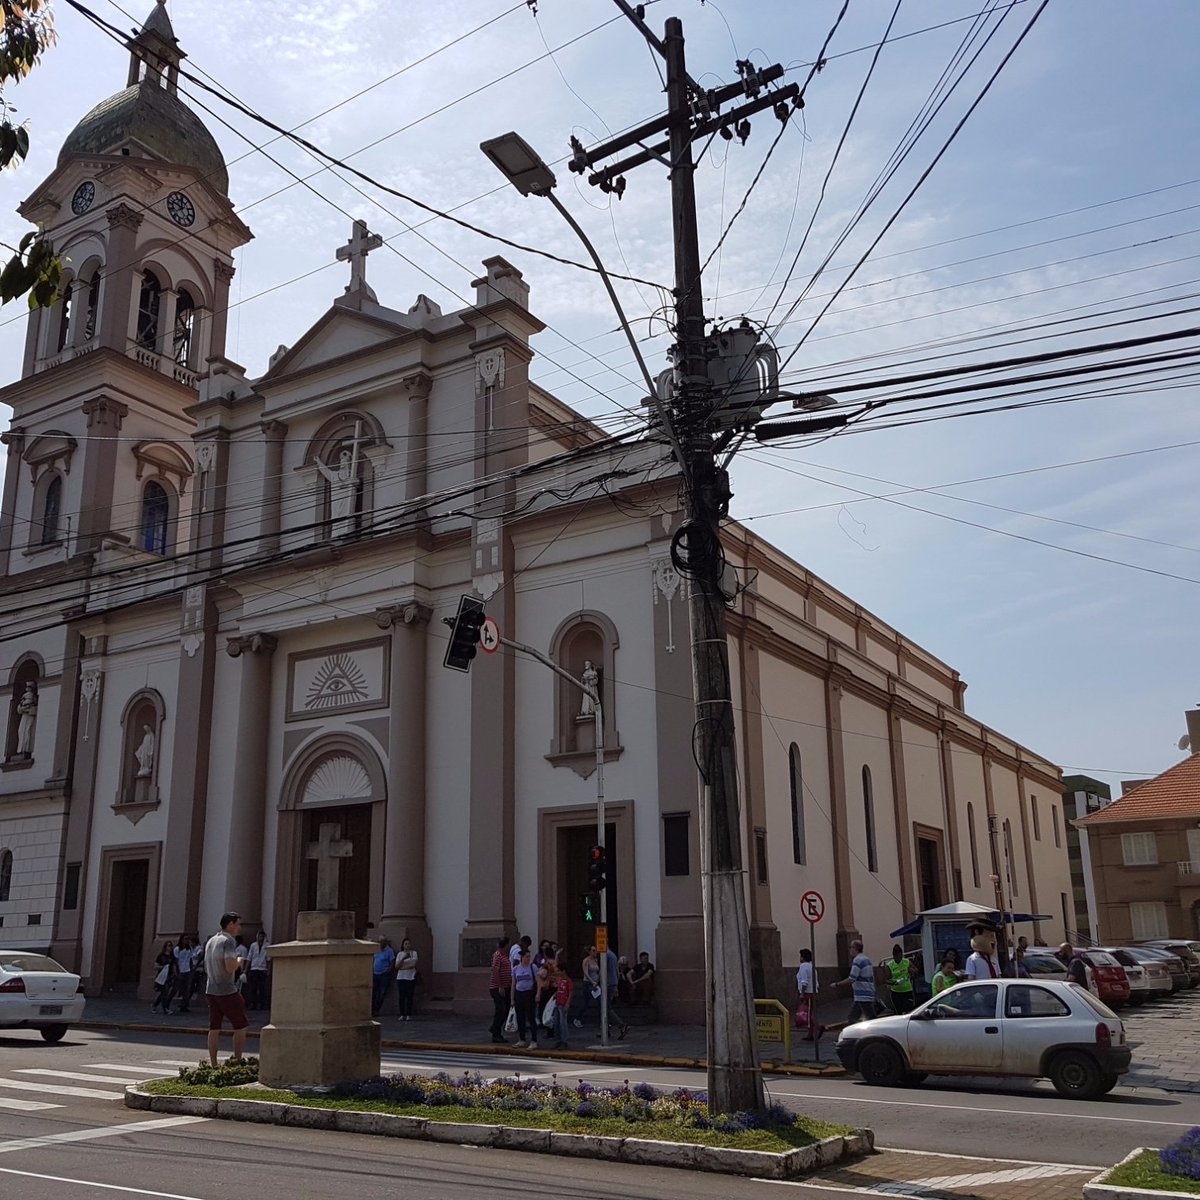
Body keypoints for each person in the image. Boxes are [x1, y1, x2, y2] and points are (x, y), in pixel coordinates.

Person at [204, 912, 249, 1066]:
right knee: (240, 1025)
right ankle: (237, 1059)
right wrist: (239, 961)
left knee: (214, 1026)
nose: (239, 928)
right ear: (230, 924)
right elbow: (230, 967)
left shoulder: (211, 940)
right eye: (238, 924)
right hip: (227, 989)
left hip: (211, 988)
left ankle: (214, 1063)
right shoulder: (228, 941)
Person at [838, 939, 877, 1022]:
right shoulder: (866, 959)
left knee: (869, 1018)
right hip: (864, 994)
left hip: (863, 995)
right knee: (853, 1018)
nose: (849, 949)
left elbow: (852, 978)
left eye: (851, 947)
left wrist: (838, 984)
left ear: (855, 948)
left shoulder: (858, 960)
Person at [512, 946, 538, 1048]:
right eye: (526, 957)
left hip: (529, 993)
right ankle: (522, 1039)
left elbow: (538, 981)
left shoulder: (533, 967)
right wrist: (512, 998)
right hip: (519, 993)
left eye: (529, 956)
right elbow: (513, 984)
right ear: (521, 957)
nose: (528, 958)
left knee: (531, 1017)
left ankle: (534, 1040)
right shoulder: (516, 969)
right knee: (520, 1017)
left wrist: (537, 994)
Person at [488, 936, 512, 1044]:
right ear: (506, 944)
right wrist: (500, 986)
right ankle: (496, 1032)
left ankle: (495, 1027)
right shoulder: (498, 955)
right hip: (498, 988)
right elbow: (495, 970)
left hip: (506, 986)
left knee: (505, 1009)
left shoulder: (503, 955)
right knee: (500, 1010)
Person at [603, 946, 630, 1039]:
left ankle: (621, 1025)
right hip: (613, 983)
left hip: (607, 984)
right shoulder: (613, 955)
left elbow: (603, 970)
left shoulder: (605, 955)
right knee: (606, 1007)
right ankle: (606, 1030)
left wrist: (596, 982)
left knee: (606, 1007)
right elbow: (616, 971)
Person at [549, 953, 573, 1049]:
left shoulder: (568, 981)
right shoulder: (559, 980)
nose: (558, 972)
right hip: (558, 1002)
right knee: (556, 1022)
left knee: (563, 1023)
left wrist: (567, 1003)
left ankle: (564, 1041)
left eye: (559, 970)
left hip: (563, 1003)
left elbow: (570, 992)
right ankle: (558, 1040)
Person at [885, 944, 916, 1013]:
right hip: (896, 992)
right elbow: (886, 980)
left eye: (900, 956)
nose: (899, 958)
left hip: (907, 990)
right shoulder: (889, 965)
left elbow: (916, 969)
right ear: (894, 956)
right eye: (897, 956)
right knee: (899, 1011)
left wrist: (912, 970)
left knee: (909, 1010)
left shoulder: (906, 962)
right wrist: (893, 982)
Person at [795, 947, 818, 1038]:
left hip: (808, 993)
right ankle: (811, 1033)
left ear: (803, 957)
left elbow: (804, 981)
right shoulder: (812, 967)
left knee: (807, 1014)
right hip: (813, 992)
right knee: (809, 1012)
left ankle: (818, 1027)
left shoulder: (803, 967)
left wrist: (802, 993)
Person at [246, 930, 270, 1011]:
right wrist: (246, 969)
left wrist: (268, 969)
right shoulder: (253, 945)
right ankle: (253, 1003)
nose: (261, 938)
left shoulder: (267, 946)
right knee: (253, 987)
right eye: (260, 936)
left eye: (262, 937)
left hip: (262, 969)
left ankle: (262, 1004)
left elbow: (268, 958)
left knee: (262, 988)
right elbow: (249, 957)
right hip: (254, 968)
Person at [394, 937, 418, 1021]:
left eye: (409, 943)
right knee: (401, 996)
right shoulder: (400, 954)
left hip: (410, 977)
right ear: (403, 945)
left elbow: (413, 964)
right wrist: (404, 958)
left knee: (409, 996)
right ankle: (402, 1014)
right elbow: (396, 966)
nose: (408, 945)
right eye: (406, 944)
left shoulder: (414, 953)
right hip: (401, 977)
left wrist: (402, 967)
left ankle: (408, 1014)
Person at [371, 936, 395, 1017]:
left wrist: (388, 971)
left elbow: (392, 962)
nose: (381, 943)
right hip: (374, 973)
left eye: (383, 941)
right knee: (373, 992)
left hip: (383, 974)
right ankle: (372, 1009)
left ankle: (377, 1009)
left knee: (381, 993)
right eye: (380, 941)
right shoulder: (376, 950)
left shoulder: (389, 951)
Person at [151, 940, 177, 1014]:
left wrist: (175, 974)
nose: (170, 947)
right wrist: (163, 967)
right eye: (168, 946)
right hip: (162, 976)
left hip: (169, 976)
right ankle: (165, 1008)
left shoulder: (172, 956)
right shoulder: (161, 956)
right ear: (165, 947)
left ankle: (154, 1005)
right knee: (164, 993)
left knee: (164, 993)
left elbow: (174, 966)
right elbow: (155, 966)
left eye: (171, 946)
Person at [173, 936, 195, 1013]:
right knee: (178, 988)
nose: (186, 940)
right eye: (185, 939)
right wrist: (177, 971)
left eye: (187, 939)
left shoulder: (190, 949)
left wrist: (192, 969)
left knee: (187, 989)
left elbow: (190, 959)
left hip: (187, 970)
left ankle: (184, 1005)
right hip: (180, 970)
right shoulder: (177, 949)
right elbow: (176, 961)